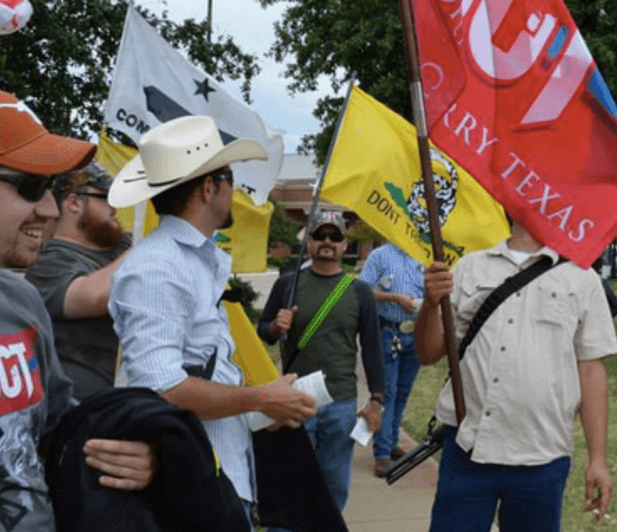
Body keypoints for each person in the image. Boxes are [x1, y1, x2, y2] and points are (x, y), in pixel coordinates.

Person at [0, 88, 154, 532]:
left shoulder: (20, 301)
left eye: (52, 189)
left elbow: (57, 428)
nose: (49, 209)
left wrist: (127, 456)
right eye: (31, 187)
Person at [107, 115, 317, 527]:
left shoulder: (189, 262)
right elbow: (162, 389)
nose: (234, 192)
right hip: (189, 488)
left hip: (208, 475)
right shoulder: (158, 268)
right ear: (208, 187)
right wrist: (260, 399)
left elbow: (201, 372)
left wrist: (260, 407)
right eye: (230, 179)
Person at [415, 218, 617, 531]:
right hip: (468, 447)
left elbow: (591, 371)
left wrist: (598, 460)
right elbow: (428, 353)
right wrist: (430, 304)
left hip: (542, 456)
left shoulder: (582, 278)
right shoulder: (469, 268)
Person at [257, 211, 385, 511]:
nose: (327, 242)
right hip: (295, 398)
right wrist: (275, 327)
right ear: (309, 241)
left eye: (335, 236)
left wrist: (376, 400)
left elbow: (372, 348)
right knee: (291, 480)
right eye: (320, 235)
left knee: (333, 483)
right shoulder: (287, 284)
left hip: (340, 402)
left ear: (344, 245)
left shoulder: (359, 291)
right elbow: (263, 330)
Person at [25, 162, 130, 399]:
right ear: (74, 203)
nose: (115, 206)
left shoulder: (123, 248)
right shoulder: (49, 262)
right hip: (85, 407)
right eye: (106, 197)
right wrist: (149, 246)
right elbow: (93, 297)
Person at [359, 242, 424, 476]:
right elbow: (362, 290)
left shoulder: (425, 256)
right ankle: (382, 453)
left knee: (404, 391)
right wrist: (395, 298)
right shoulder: (380, 255)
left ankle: (392, 441)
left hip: (416, 332)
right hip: (388, 332)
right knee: (388, 392)